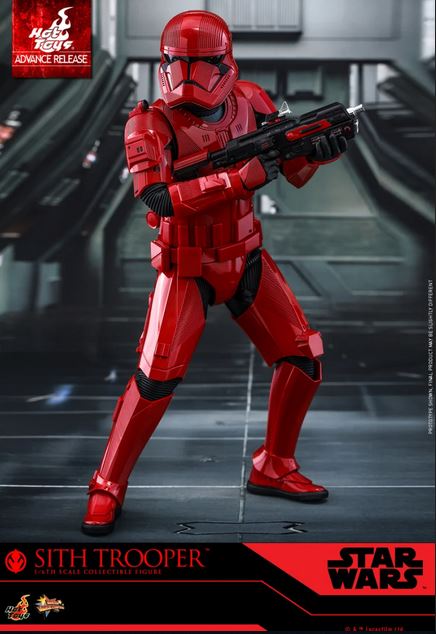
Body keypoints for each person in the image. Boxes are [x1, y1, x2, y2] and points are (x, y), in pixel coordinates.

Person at [82, 10, 347, 535]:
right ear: (165, 62)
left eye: (200, 62)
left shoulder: (251, 101)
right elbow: (157, 197)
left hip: (245, 255)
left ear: (224, 62)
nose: (189, 75)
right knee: (154, 380)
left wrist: (317, 154)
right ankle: (106, 485)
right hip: (186, 266)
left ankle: (275, 465)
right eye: (179, 62)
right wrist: (235, 180)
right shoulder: (149, 123)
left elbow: (292, 172)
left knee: (302, 355)